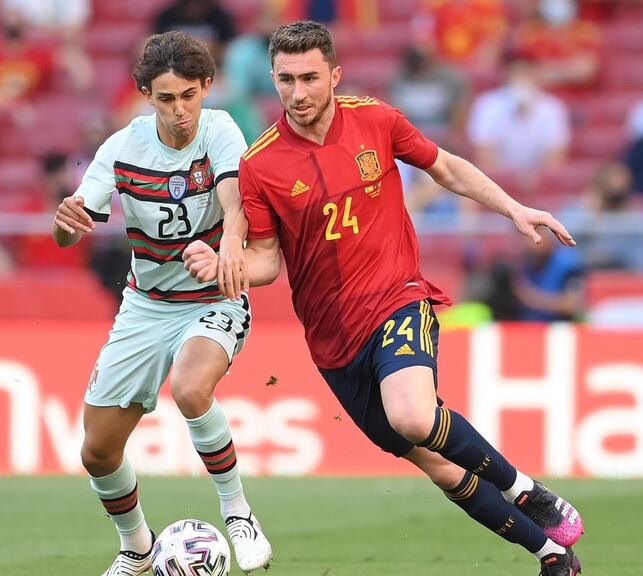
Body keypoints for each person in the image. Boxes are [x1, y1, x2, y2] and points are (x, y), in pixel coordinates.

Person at [185, 20, 584, 576]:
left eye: (309, 78)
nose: (297, 94)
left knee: (414, 416)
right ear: (271, 80)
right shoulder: (261, 165)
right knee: (440, 467)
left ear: (334, 74)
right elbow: (268, 263)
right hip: (333, 342)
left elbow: (444, 167)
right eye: (285, 80)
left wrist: (513, 208)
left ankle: (526, 489)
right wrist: (222, 266)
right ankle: (552, 555)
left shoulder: (374, 118)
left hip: (397, 297)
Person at [50, 31, 273, 576]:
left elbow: (233, 195)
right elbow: (72, 228)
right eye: (166, 98)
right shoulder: (122, 148)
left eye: (189, 96)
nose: (180, 111)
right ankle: (138, 548)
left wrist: (226, 250)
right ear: (146, 95)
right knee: (97, 452)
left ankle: (238, 511)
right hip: (145, 304)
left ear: (206, 88)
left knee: (191, 388)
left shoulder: (220, 128)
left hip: (213, 296)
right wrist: (65, 225)